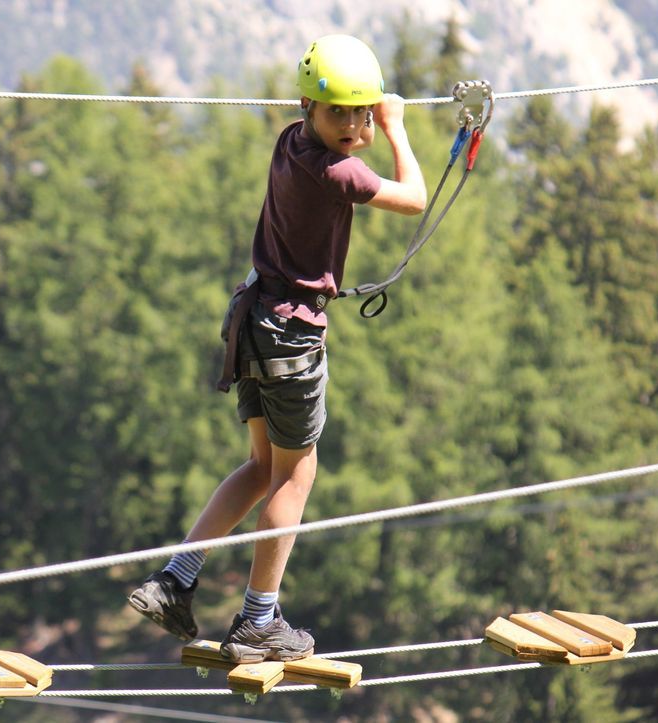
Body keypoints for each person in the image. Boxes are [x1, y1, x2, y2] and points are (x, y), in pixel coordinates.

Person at [129, 34, 427, 663]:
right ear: (308, 108)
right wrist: (394, 127)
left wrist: (365, 116)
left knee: (262, 468)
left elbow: (338, 134)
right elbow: (415, 199)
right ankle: (259, 619)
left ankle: (175, 579)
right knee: (296, 474)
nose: (350, 125)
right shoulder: (338, 169)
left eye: (359, 113)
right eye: (338, 112)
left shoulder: (290, 142)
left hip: (254, 320)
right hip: (292, 334)